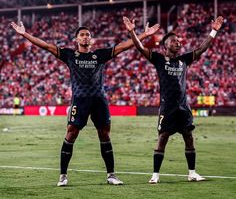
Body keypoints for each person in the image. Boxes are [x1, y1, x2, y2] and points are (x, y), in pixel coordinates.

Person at [11, 20, 159, 186]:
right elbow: (46, 46)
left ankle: (111, 175)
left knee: (104, 135)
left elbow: (123, 46)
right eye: (82, 35)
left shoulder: (100, 55)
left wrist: (144, 35)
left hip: (99, 100)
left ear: (92, 40)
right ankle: (63, 176)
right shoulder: (69, 55)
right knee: (71, 134)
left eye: (88, 35)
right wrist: (24, 34)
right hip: (80, 100)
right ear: (76, 40)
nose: (85, 37)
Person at [123, 15, 224, 183]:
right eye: (174, 41)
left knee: (189, 137)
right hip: (167, 107)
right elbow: (140, 48)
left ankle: (192, 173)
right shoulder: (159, 59)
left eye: (179, 41)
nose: (178, 42)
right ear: (166, 46)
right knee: (163, 138)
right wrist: (133, 32)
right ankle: (155, 175)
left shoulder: (184, 60)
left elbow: (202, 48)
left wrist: (214, 31)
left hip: (183, 107)